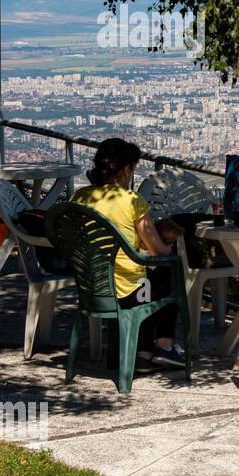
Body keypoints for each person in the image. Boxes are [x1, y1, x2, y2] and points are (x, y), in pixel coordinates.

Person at [70, 138, 184, 366]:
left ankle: (141, 353)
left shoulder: (80, 197)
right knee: (167, 270)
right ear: (125, 170)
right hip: (126, 291)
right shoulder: (132, 200)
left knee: (147, 276)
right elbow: (157, 249)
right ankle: (162, 347)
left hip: (90, 287)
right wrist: (174, 248)